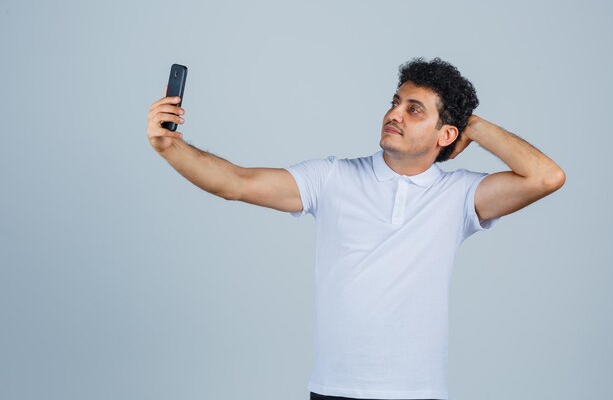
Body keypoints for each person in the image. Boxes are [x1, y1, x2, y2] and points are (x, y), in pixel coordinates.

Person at [146, 57, 566, 400]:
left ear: (446, 134)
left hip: (419, 395)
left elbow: (546, 177)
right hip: (334, 391)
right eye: (395, 102)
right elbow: (237, 183)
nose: (393, 114)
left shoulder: (458, 195)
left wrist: (475, 126)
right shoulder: (332, 178)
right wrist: (170, 147)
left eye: (413, 109)